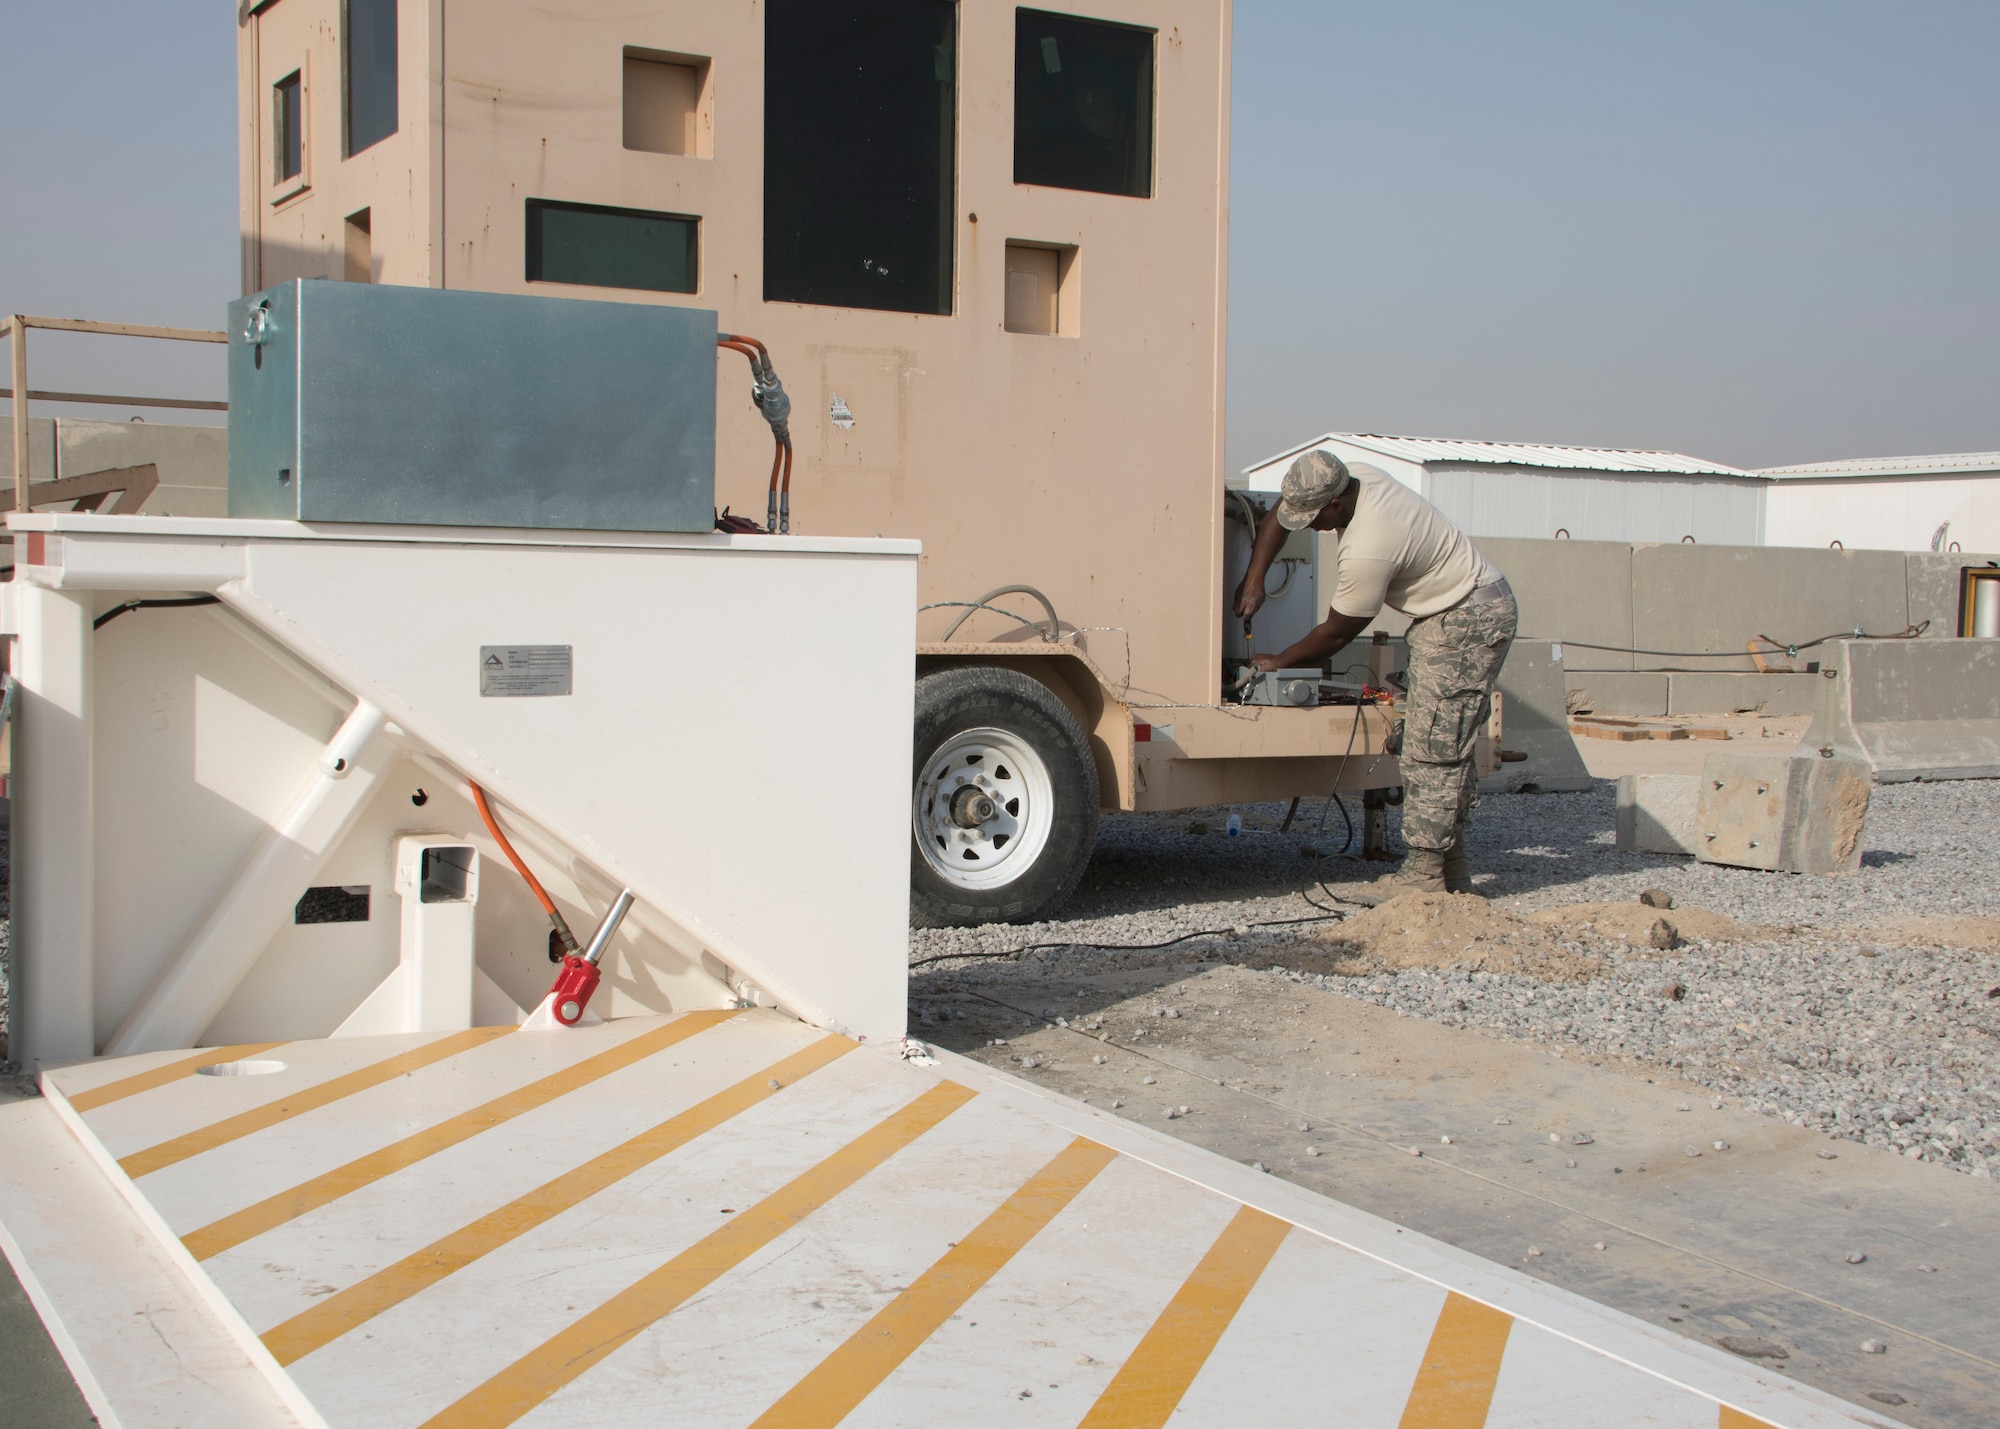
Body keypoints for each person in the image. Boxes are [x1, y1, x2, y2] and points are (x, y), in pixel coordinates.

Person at [1234, 449, 1516, 895]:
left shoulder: (1370, 544)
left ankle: (1422, 876)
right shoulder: (1349, 478)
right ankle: (1452, 870)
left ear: (1337, 506)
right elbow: (1279, 518)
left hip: (1466, 621)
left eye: (1314, 518)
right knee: (1441, 742)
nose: (1309, 526)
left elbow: (1335, 635)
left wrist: (1278, 662)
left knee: (1431, 749)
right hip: (1448, 616)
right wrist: (1254, 579)